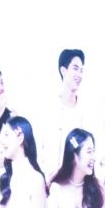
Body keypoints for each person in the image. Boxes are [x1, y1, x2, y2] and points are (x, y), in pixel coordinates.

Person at [0, 116, 48, 208]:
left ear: (20, 137)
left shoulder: (36, 179)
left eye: (6, 134)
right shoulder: (5, 179)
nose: (1, 140)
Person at [40, 48, 87, 176]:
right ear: (63, 71)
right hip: (48, 177)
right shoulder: (48, 108)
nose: (79, 75)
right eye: (75, 69)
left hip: (74, 180)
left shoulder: (85, 112)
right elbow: (38, 147)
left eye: (81, 71)